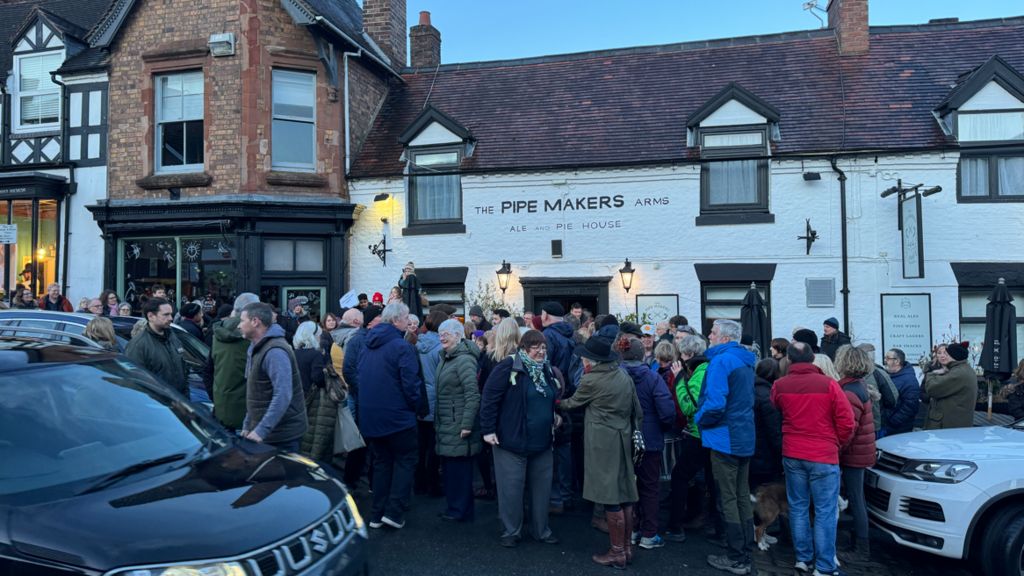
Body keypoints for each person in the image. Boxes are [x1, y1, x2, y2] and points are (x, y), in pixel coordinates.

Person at [771, 341, 855, 576]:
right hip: (823, 453)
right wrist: (837, 443)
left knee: (797, 507)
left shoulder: (779, 385)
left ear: (788, 359)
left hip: (792, 452)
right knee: (825, 511)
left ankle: (803, 559)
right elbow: (847, 421)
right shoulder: (829, 384)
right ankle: (825, 566)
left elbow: (776, 406)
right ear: (812, 359)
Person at [560, 330, 640, 569]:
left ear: (591, 360)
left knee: (609, 496)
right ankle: (626, 548)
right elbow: (637, 410)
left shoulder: (592, 379)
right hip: (623, 436)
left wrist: (553, 401)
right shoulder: (622, 375)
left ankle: (616, 553)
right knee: (625, 493)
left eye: (585, 357)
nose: (583, 360)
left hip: (603, 442)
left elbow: (572, 403)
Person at [480, 329, 561, 547]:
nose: (541, 351)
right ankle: (510, 531)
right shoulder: (508, 366)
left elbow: (550, 396)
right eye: (535, 347)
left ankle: (541, 530)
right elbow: (489, 398)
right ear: (524, 348)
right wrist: (488, 430)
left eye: (543, 347)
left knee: (542, 491)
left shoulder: (546, 369)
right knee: (511, 490)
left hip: (542, 442)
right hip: (511, 441)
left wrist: (555, 415)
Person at [693, 319, 757, 575]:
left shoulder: (721, 361)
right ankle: (746, 550)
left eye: (713, 332)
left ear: (726, 338)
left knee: (729, 496)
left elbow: (715, 403)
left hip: (724, 436)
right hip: (743, 435)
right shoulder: (746, 360)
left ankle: (737, 556)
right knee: (741, 494)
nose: (709, 335)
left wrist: (699, 420)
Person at [358, 302, 422, 530]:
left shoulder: (367, 345)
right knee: (405, 462)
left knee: (382, 463)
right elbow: (411, 384)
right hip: (397, 417)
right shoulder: (400, 346)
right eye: (406, 319)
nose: (408, 323)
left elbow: (358, 377)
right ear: (396, 320)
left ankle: (376, 514)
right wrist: (416, 407)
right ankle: (394, 513)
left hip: (370, 417)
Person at [621, 336, 676, 550]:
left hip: (623, 438)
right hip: (649, 439)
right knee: (650, 487)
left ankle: (632, 530)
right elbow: (667, 410)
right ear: (643, 354)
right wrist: (661, 428)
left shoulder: (617, 377)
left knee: (628, 486)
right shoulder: (653, 378)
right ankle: (649, 534)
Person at [238, 302, 307, 451]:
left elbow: (283, 394)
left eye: (242, 320)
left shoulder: (275, 352)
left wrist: (260, 431)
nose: (239, 325)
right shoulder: (255, 347)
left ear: (255, 321)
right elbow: (256, 393)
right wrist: (247, 425)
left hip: (282, 438)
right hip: (268, 434)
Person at [433, 318, 483, 522]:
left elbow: (472, 394)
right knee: (452, 470)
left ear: (458, 335)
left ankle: (459, 511)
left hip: (458, 424)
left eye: (448, 332)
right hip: (447, 423)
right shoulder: (446, 357)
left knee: (459, 471)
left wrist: (466, 425)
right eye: (440, 332)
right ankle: (457, 508)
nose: (442, 336)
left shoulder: (463, 360)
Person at [834, 345, 877, 563]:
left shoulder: (849, 391)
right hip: (861, 450)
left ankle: (861, 548)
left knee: (857, 499)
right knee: (856, 497)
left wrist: (835, 451)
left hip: (853, 454)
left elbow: (847, 429)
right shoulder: (858, 385)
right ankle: (858, 542)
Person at [664, 334, 709, 543]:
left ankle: (676, 526)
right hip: (704, 433)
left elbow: (689, 406)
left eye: (682, 353)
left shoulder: (699, 373)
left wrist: (680, 380)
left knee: (680, 476)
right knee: (699, 477)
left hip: (699, 434)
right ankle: (698, 517)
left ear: (689, 354)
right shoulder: (705, 369)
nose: (680, 357)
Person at [341, 305, 382, 489]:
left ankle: (372, 481)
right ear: (373, 320)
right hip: (363, 398)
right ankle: (351, 480)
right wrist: (364, 390)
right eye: (380, 316)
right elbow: (348, 370)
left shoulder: (378, 338)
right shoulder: (357, 340)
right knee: (361, 441)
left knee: (375, 442)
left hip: (374, 398)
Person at [210, 292, 260, 432]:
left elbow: (208, 369)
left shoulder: (218, 333)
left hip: (222, 405)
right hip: (246, 411)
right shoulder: (254, 335)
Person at [124, 297, 188, 395]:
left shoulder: (173, 337)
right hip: (156, 404)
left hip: (178, 402)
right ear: (150, 316)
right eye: (166, 315)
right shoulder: (138, 345)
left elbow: (184, 371)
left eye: (171, 314)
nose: (171, 318)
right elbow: (134, 382)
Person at [415, 309, 445, 497]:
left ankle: (418, 483)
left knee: (420, 444)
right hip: (436, 399)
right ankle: (433, 484)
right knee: (435, 445)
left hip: (420, 397)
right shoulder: (441, 348)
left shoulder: (416, 344)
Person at [922, 343, 977, 429]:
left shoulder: (958, 373)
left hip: (949, 425)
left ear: (953, 356)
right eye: (939, 353)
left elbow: (931, 388)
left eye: (947, 354)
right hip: (954, 423)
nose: (944, 356)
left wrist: (932, 374)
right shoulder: (962, 369)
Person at [750, 358, 783, 490]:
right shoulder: (767, 396)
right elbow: (774, 430)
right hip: (764, 454)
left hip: (750, 448)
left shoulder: (749, 390)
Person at [881, 348, 921, 436]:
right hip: (888, 425)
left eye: (888, 358)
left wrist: (892, 422)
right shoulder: (890, 376)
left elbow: (910, 407)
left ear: (897, 361)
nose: (885, 361)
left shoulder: (909, 380)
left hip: (898, 429)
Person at [292, 321, 325, 397]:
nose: (320, 338)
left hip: (294, 396)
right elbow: (317, 377)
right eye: (319, 335)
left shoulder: (292, 353)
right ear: (312, 336)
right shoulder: (315, 354)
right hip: (310, 396)